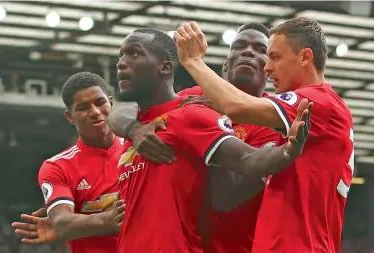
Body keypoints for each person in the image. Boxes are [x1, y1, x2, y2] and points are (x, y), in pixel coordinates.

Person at [107, 28, 310, 253]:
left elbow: (227, 194)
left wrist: (286, 151)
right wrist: (134, 130)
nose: (248, 53)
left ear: (269, 70)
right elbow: (121, 113)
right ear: (225, 64)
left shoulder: (270, 123)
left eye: (261, 50)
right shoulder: (190, 101)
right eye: (239, 46)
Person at [174, 18, 354, 253]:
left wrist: (193, 61)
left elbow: (236, 106)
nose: (268, 68)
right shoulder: (303, 114)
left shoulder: (318, 101)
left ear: (305, 57)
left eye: (275, 57)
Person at [12, 72, 125, 253]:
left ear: (111, 103)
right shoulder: (57, 167)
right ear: (70, 116)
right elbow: (62, 223)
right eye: (82, 108)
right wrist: (108, 220)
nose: (95, 112)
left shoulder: (138, 148)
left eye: (100, 102)